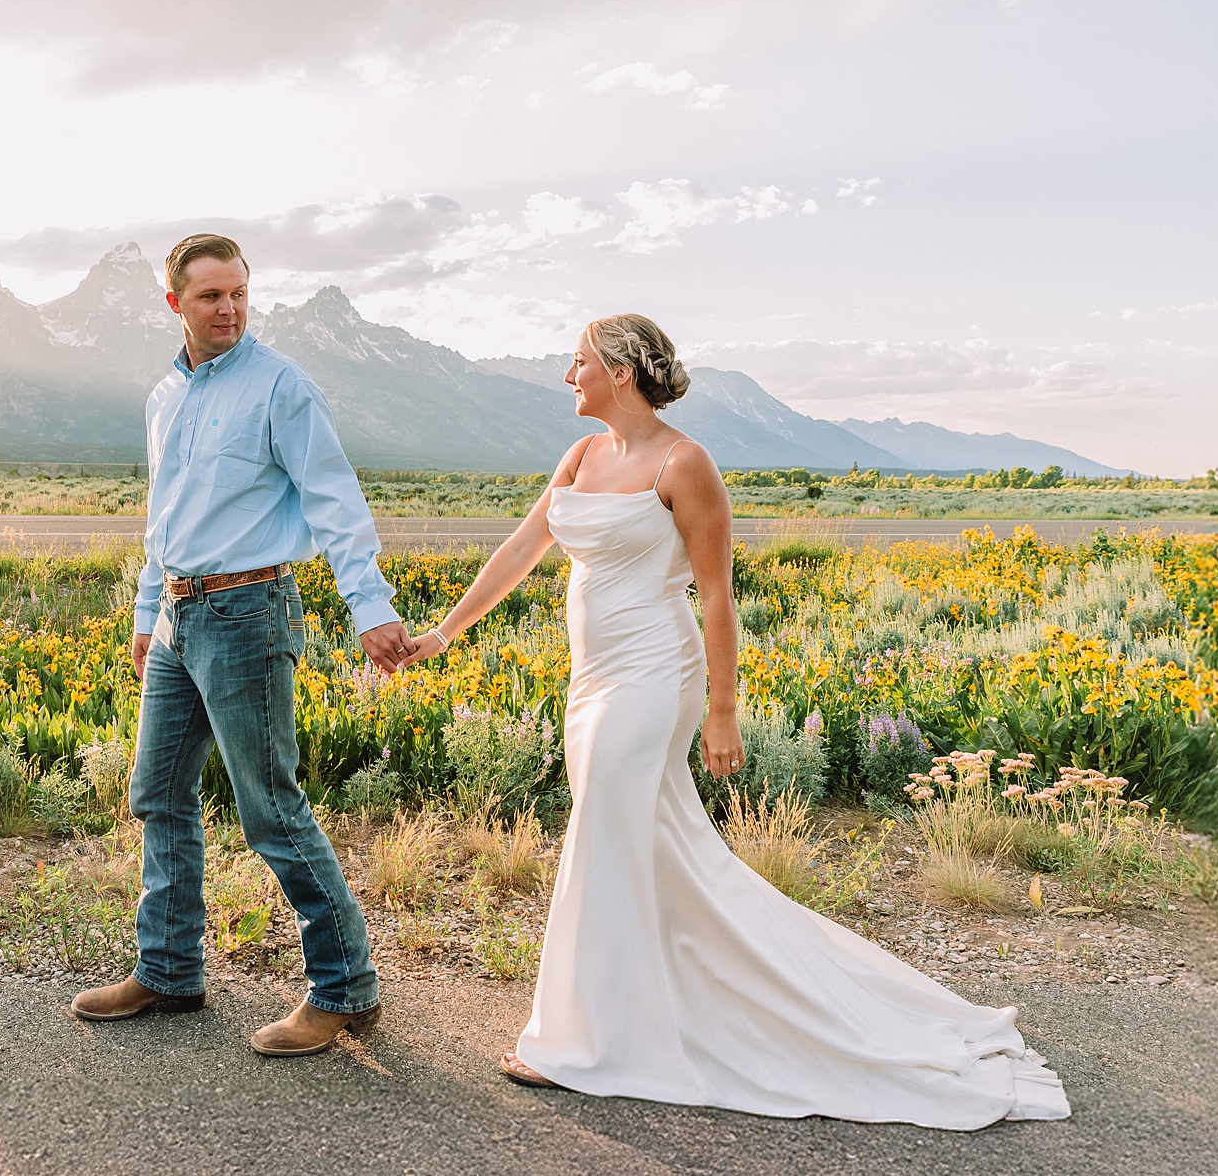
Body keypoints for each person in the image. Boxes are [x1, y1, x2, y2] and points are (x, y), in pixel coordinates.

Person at [395, 313, 1071, 1129]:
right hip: (592, 678)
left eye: (577, 363)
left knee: (601, 830)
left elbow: (716, 595)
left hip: (655, 673)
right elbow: (518, 550)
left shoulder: (686, 463)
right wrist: (441, 632)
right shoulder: (581, 455)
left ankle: (576, 1039)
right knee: (644, 839)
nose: (566, 377)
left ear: (620, 371)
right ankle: (675, 998)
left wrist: (723, 710)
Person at [71, 233, 411, 1056]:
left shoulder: (281, 386)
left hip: (250, 613)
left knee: (270, 808)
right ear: (174, 304)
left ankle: (345, 989)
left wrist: (371, 605)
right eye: (209, 297)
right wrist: (149, 610)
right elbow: (165, 517)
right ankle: (169, 969)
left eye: (238, 295)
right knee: (156, 792)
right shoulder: (163, 398)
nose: (227, 310)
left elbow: (334, 497)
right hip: (181, 619)